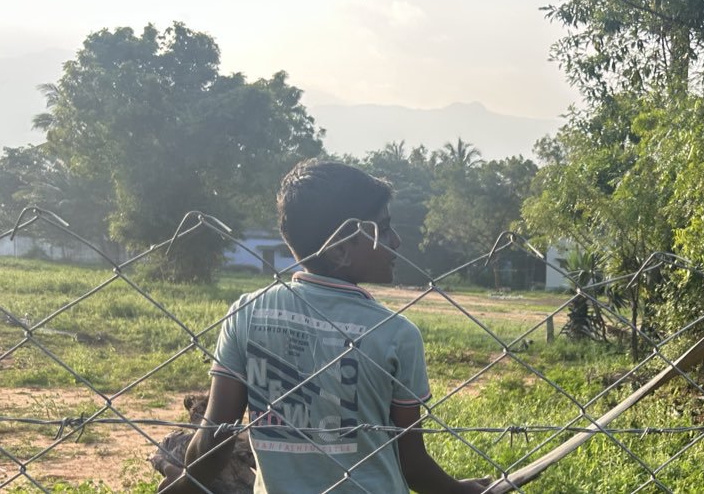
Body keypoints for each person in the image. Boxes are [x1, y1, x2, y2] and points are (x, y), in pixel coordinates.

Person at [160, 160, 490, 493]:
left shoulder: (247, 313)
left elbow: (215, 438)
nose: (397, 241)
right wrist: (465, 491)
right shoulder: (395, 333)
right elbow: (412, 465)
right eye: (383, 228)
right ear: (340, 248)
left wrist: (186, 483)